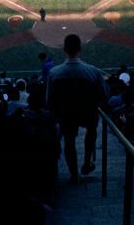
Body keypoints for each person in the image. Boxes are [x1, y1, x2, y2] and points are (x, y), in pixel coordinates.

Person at [46, 34, 109, 184]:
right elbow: (105, 94)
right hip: (88, 113)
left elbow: (49, 101)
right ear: (80, 49)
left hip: (66, 115)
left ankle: (74, 174)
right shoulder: (92, 71)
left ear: (64, 50)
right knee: (92, 129)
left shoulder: (54, 73)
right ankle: (87, 161)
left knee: (69, 141)